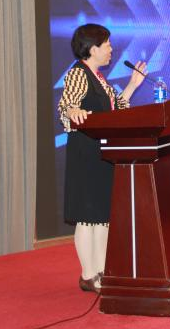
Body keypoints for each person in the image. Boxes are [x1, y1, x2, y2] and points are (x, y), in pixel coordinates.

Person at [57, 23, 146, 293]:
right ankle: (88, 275)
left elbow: (116, 109)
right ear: (93, 48)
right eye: (107, 44)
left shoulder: (99, 78)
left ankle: (101, 272)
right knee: (87, 217)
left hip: (102, 153)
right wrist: (72, 111)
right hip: (85, 153)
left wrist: (132, 85)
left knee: (102, 217)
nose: (111, 49)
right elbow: (66, 104)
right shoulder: (78, 73)